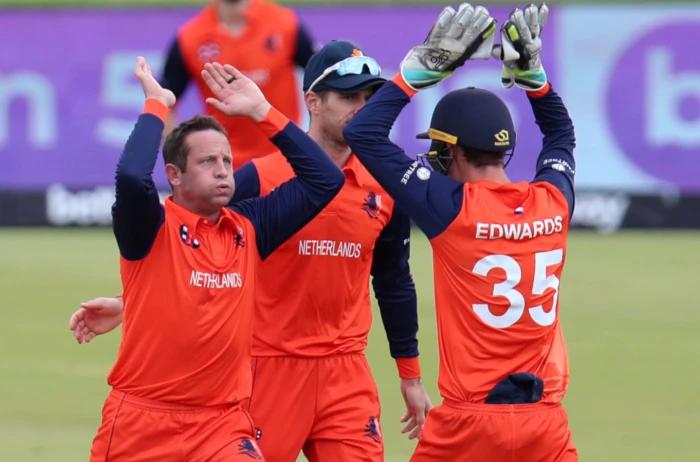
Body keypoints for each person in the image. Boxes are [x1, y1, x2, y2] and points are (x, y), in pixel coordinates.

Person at [71, 41, 431, 462]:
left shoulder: (375, 187)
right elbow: (177, 244)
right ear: (313, 101)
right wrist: (128, 300)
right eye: (349, 96)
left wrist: (410, 374)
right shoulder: (252, 183)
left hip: (341, 371)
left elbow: (393, 280)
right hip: (263, 370)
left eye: (369, 98)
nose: (362, 107)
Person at [343, 3, 578, 461]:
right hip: (545, 423)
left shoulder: (451, 211)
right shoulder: (555, 202)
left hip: (469, 424)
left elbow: (365, 133)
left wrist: (416, 73)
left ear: (455, 151)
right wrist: (534, 77)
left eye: (438, 148)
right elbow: (561, 136)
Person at [87, 56, 343, 461]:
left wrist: (262, 111)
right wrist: (157, 104)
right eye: (208, 162)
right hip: (142, 425)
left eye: (227, 160)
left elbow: (326, 180)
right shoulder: (150, 229)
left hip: (222, 425)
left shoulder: (249, 227)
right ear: (175, 175)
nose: (224, 171)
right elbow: (132, 177)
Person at [161, 0, 315, 167]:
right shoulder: (190, 37)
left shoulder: (285, 24)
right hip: (226, 168)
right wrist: (179, 162)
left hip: (286, 159)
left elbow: (323, 79)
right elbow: (163, 102)